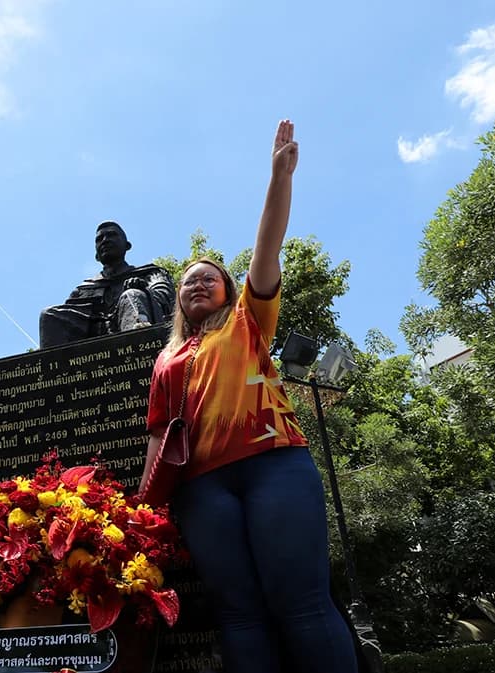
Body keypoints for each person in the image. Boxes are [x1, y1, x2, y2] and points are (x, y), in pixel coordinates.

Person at [139, 120, 356, 672]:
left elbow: (267, 245)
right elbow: (160, 436)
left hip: (274, 466)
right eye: (188, 281)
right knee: (239, 615)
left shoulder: (247, 321)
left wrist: (278, 177)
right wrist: (142, 508)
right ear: (178, 301)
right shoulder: (166, 360)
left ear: (230, 290)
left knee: (303, 604)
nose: (197, 284)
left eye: (209, 277)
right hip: (201, 489)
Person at [38, 221, 174, 348]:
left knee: (132, 295)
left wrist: (143, 290)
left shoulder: (149, 273)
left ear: (127, 246)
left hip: (138, 326)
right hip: (93, 331)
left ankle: (139, 360)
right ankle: (56, 370)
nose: (105, 240)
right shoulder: (84, 289)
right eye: (99, 239)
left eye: (112, 235)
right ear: (97, 256)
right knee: (49, 315)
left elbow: (165, 296)